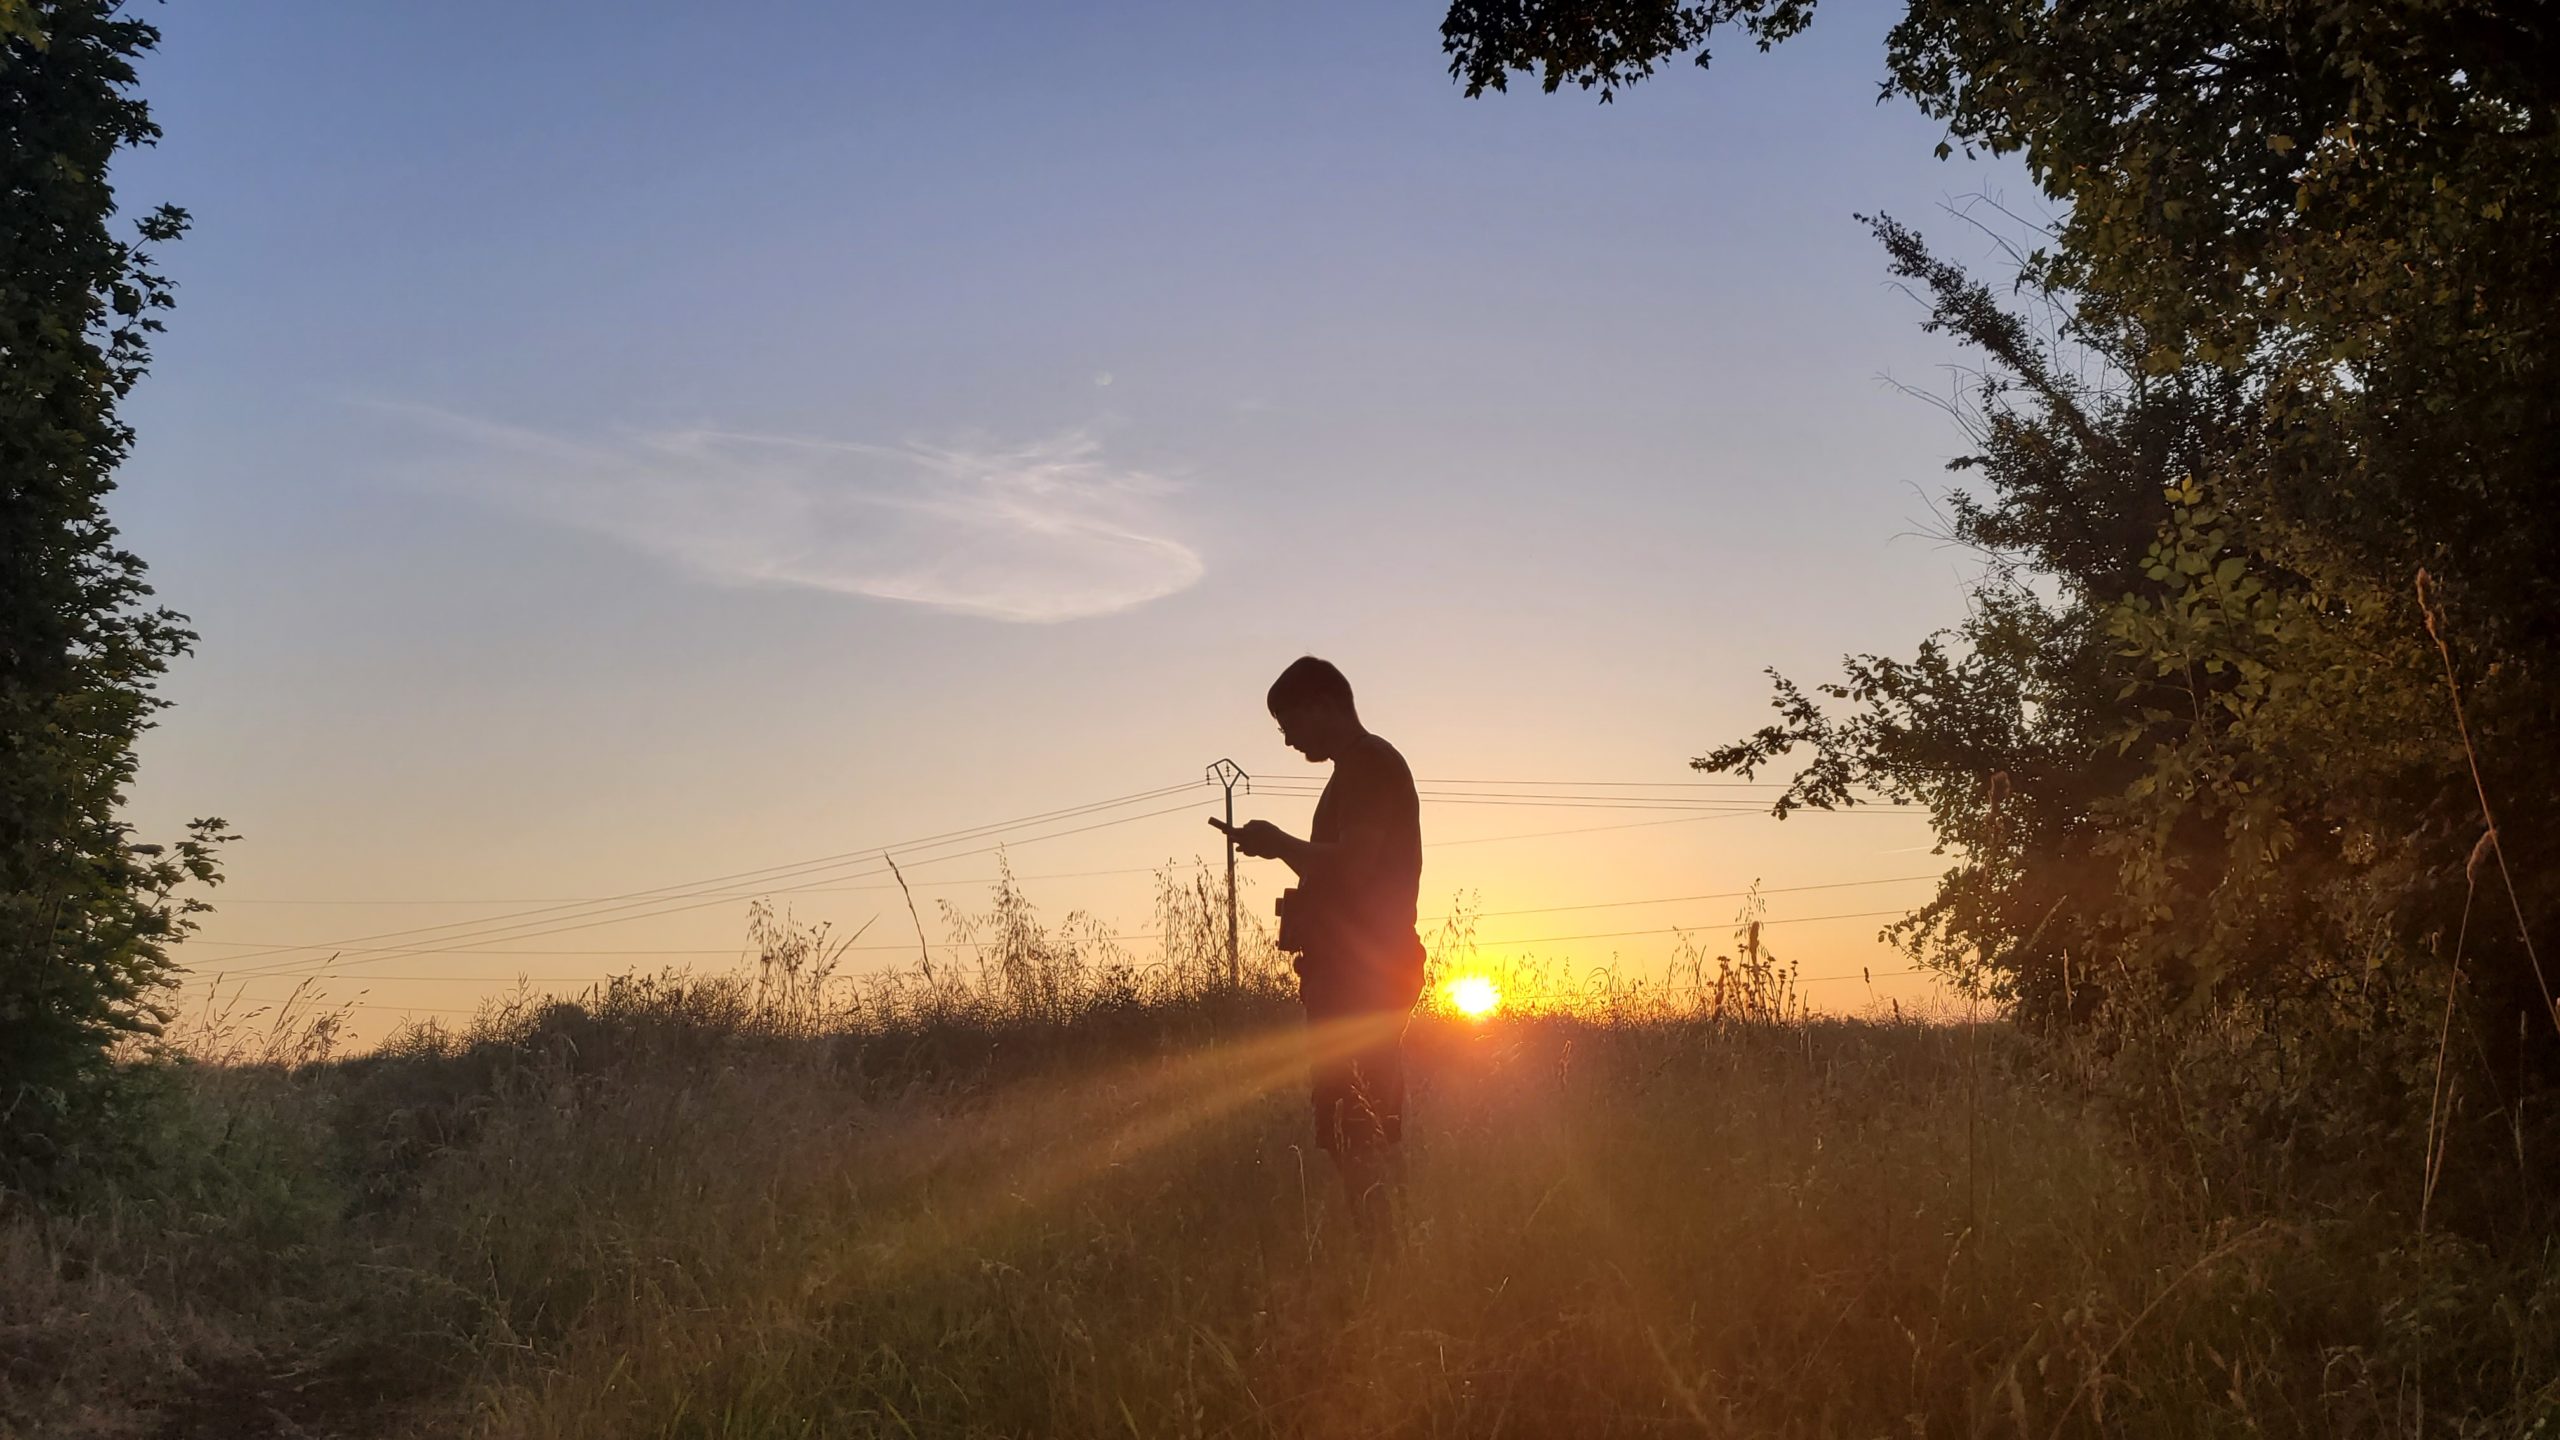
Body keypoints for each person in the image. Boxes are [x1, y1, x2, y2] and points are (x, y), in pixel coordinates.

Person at [1211, 656, 1425, 1248]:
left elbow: (1355, 867)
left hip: (1366, 973)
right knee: (1362, 1120)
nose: (1287, 738)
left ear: (1323, 705)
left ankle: (1385, 1252)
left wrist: (1279, 843)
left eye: (1289, 722)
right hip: (1357, 969)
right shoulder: (1357, 769)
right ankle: (1389, 1247)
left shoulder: (1370, 765)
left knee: (1353, 1119)